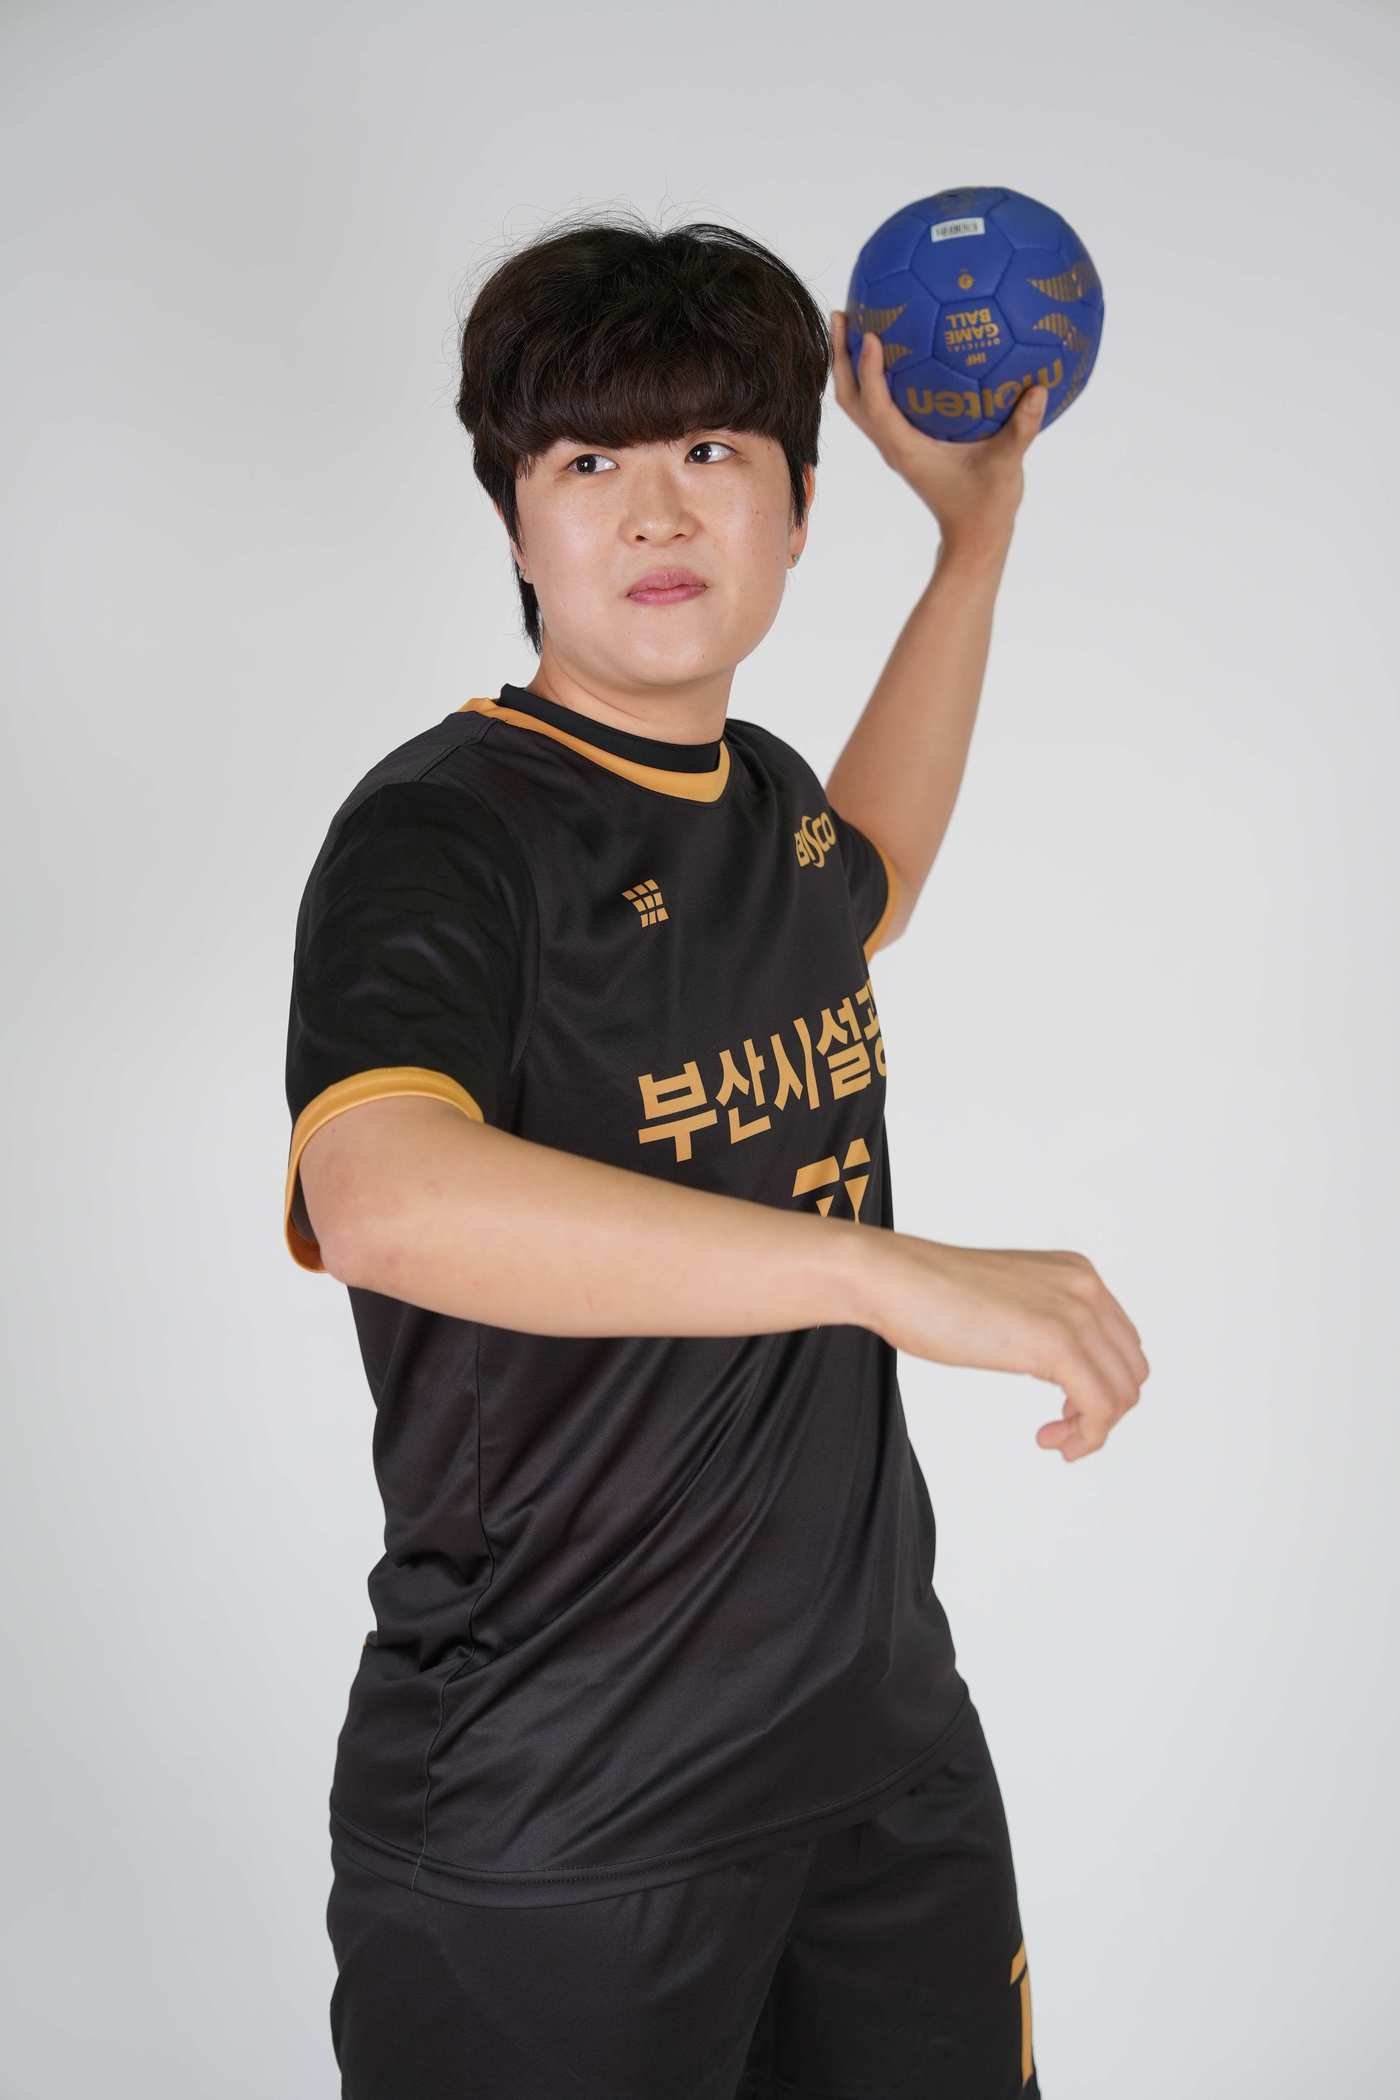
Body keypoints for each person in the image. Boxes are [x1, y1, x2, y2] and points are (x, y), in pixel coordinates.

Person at [282, 208, 1148, 2099]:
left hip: (881, 1765)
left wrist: (976, 539)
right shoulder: (443, 836)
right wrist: (877, 1273)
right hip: (563, 1816)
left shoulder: (762, 803)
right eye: (589, 463)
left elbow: (872, 873)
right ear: (516, 524)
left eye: (709, 449)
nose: (658, 511)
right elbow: (382, 1196)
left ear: (798, 510)